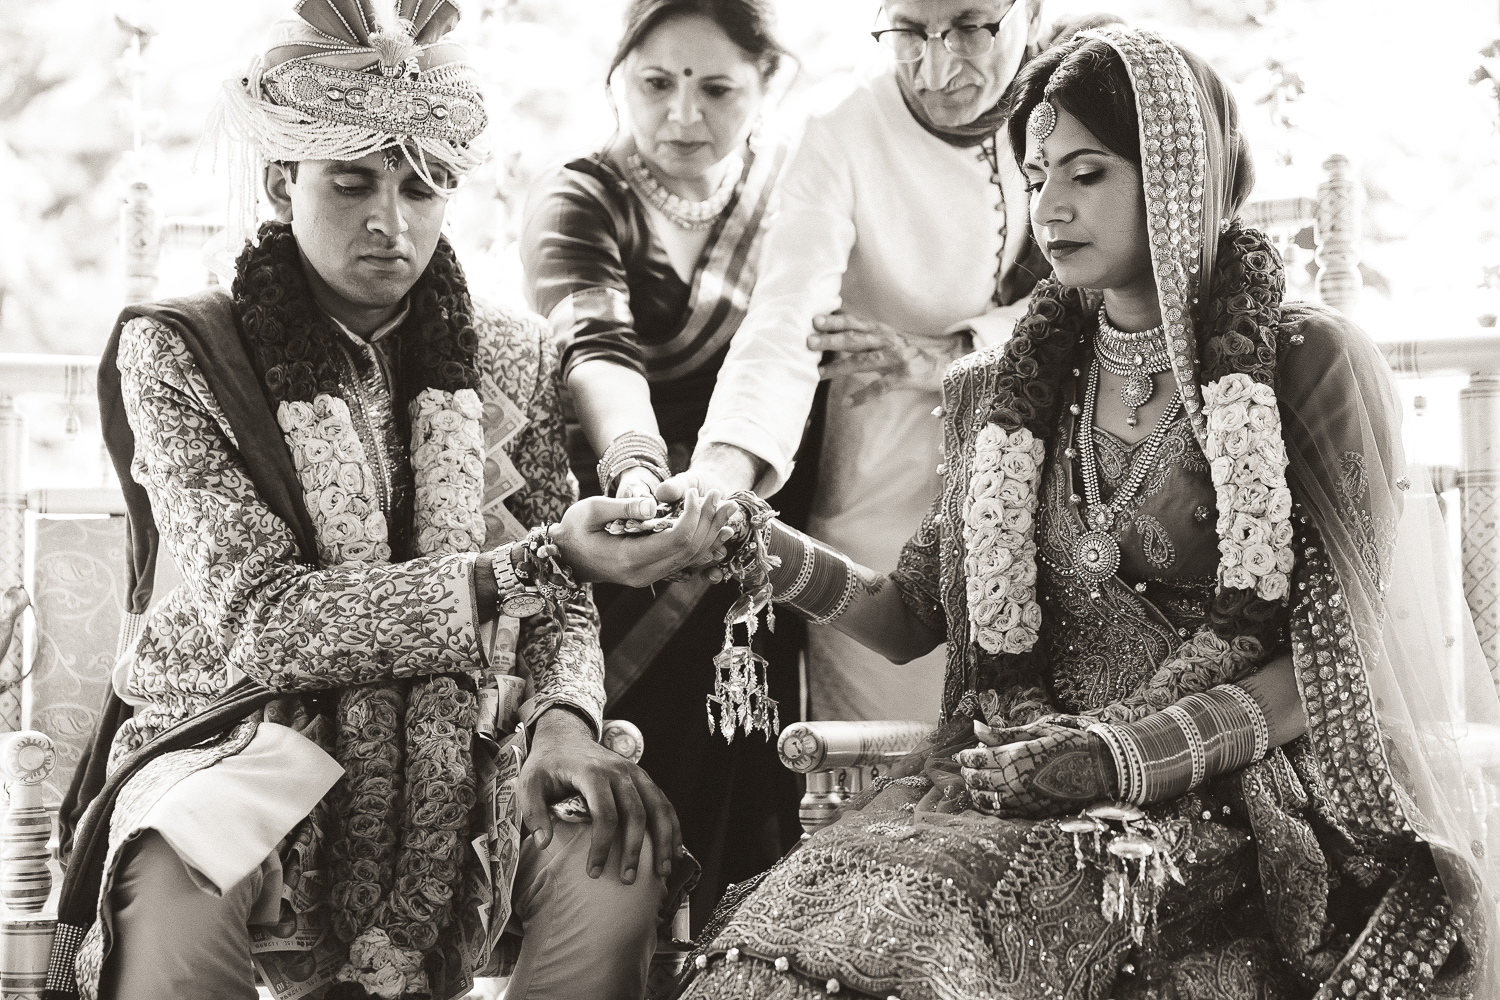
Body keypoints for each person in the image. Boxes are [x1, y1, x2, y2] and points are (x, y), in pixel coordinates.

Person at [672, 25, 1500, 999]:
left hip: (1229, 795)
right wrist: (765, 551)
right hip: (1023, 776)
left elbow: (1337, 662)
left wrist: (1118, 758)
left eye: (1088, 173)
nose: (1050, 206)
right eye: (1034, 176)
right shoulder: (1004, 388)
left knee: (941, 933)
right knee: (784, 928)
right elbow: (905, 618)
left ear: (1178, 171)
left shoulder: (1302, 362)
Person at [47, 4, 738, 999]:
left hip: (466, 731)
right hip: (239, 728)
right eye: (353, 181)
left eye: (422, 187)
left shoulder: (512, 353)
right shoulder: (185, 353)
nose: (390, 220)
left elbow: (565, 610)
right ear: (285, 181)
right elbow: (263, 621)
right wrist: (532, 564)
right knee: (176, 880)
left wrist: (561, 718)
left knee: (612, 856)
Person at [664, 0, 1097, 725]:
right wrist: (719, 480)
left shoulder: (1083, 99)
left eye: (969, 26)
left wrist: (958, 353)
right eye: (907, 31)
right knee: (884, 784)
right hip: (883, 510)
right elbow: (784, 324)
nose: (936, 68)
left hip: (1066, 505)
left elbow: (1124, 279)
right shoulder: (841, 134)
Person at [518, 0, 803, 928]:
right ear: (618, 79)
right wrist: (638, 468)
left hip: (749, 542)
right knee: (628, 812)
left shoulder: (793, 201)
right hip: (623, 535)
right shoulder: (579, 197)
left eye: (716, 88)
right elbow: (596, 349)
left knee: (749, 789)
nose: (683, 116)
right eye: (656, 83)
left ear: (767, 87)